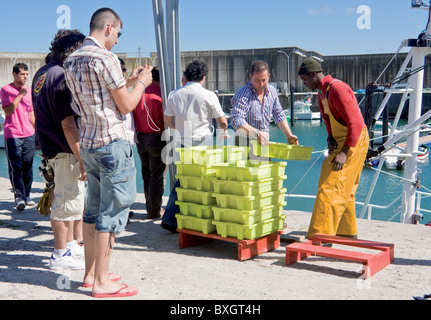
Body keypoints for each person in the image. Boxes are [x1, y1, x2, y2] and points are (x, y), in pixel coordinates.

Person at [64, 7, 153, 298]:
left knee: (92, 211)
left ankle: (91, 274)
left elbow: (97, 98)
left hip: (88, 142)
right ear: (110, 27)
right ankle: (102, 282)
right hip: (112, 143)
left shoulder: (71, 60)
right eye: (118, 33)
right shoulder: (107, 58)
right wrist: (142, 82)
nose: (117, 40)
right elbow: (126, 106)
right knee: (111, 212)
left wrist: (128, 82)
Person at [32, 29, 87, 271]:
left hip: (50, 147)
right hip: (64, 149)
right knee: (65, 201)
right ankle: (59, 253)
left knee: (69, 198)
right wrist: (81, 157)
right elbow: (67, 123)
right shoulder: (62, 76)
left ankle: (70, 244)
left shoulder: (42, 73)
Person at [298, 58, 369, 239]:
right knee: (345, 189)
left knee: (330, 187)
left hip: (353, 142)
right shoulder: (323, 93)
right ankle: (346, 231)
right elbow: (328, 119)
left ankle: (321, 236)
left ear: (313, 74)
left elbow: (356, 122)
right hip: (341, 140)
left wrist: (344, 153)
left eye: (305, 79)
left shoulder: (337, 89)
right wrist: (330, 137)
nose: (304, 84)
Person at [162, 60, 228, 232]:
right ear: (203, 78)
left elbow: (168, 120)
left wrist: (180, 128)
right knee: (204, 181)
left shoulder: (174, 95)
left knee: (183, 179)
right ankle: (196, 218)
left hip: (182, 143)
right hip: (203, 144)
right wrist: (224, 129)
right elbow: (222, 120)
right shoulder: (209, 95)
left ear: (186, 76)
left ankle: (172, 217)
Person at [230, 60, 298, 148]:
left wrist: (289, 135)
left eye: (264, 80)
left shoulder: (272, 91)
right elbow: (236, 120)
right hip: (244, 142)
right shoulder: (243, 94)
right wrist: (257, 133)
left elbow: (279, 114)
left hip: (264, 141)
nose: (261, 84)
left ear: (268, 77)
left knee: (266, 162)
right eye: (257, 80)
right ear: (251, 77)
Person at [0, 63, 36, 211]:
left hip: (29, 133)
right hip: (12, 133)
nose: (25, 77)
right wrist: (20, 95)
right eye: (22, 74)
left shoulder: (29, 91)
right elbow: (8, 111)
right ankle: (19, 197)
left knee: (28, 165)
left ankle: (27, 195)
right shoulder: (5, 90)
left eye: (27, 74)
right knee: (16, 167)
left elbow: (31, 111)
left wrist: (36, 129)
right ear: (14, 74)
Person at [134, 67, 167, 219]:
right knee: (157, 176)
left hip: (141, 138)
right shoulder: (162, 95)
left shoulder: (138, 92)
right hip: (158, 138)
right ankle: (154, 211)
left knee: (146, 174)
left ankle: (150, 207)